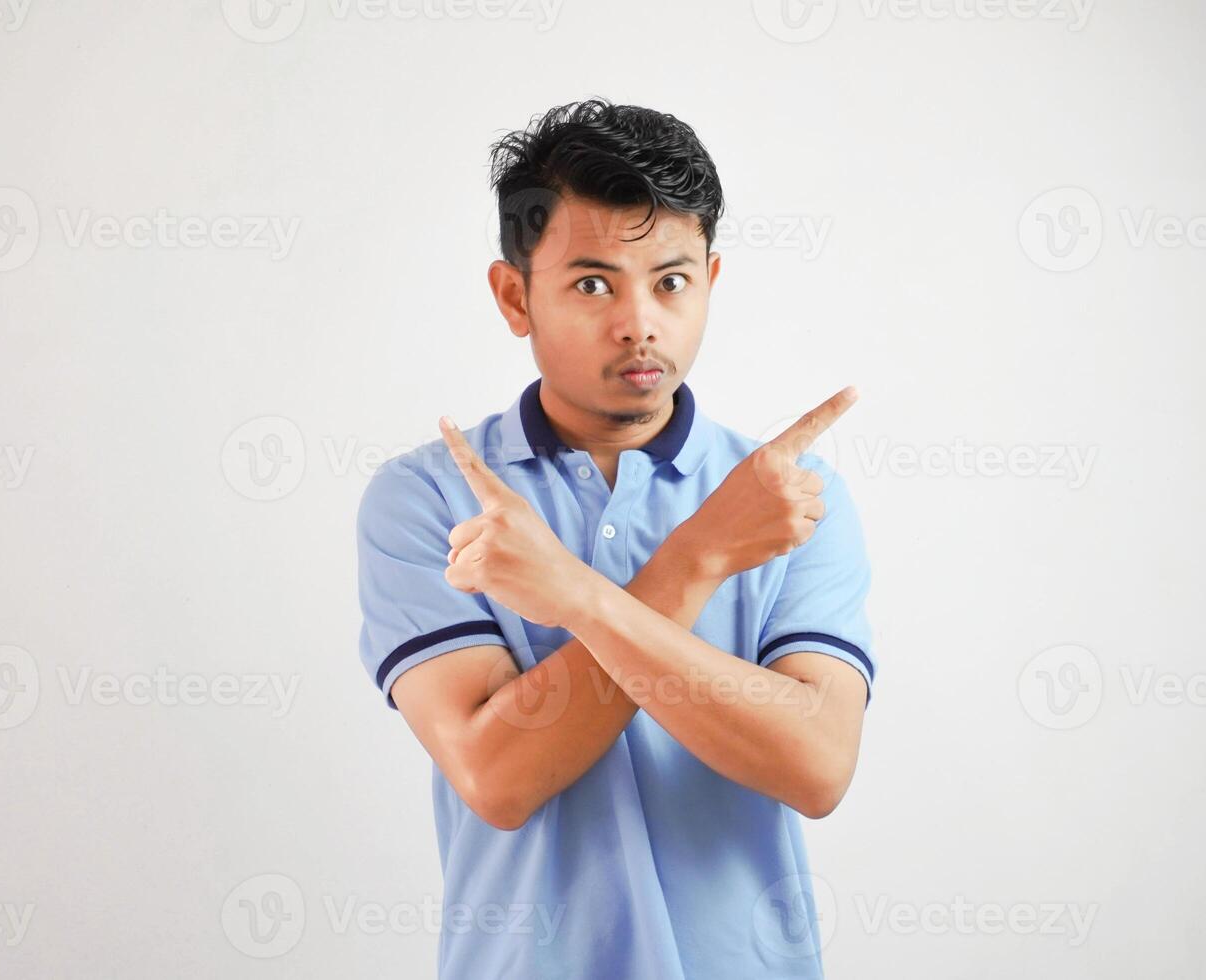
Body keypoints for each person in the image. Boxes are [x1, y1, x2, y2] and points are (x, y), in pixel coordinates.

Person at [356, 96, 875, 979]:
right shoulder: (429, 497)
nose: (640, 321)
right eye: (593, 283)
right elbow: (500, 778)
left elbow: (818, 766)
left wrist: (578, 598)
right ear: (514, 296)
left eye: (671, 281)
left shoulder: (792, 497)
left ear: (712, 280)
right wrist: (700, 555)